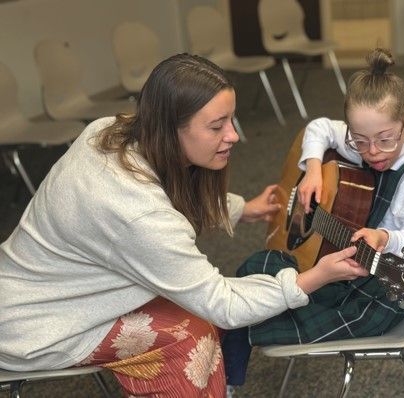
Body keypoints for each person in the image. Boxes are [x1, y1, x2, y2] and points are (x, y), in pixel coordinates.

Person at [0, 53, 369, 397]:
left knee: (197, 314)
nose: (234, 135)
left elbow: (165, 191)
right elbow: (222, 302)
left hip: (36, 288)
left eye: (231, 119)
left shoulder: (110, 131)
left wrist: (240, 208)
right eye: (216, 126)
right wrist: (312, 279)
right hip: (37, 326)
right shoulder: (138, 216)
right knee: (193, 338)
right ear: (171, 129)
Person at [222, 48, 404, 390]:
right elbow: (319, 128)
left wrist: (386, 238)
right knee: (257, 267)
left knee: (242, 310)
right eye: (360, 141)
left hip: (380, 292)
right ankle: (227, 372)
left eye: (385, 140)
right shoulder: (368, 137)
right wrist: (313, 168)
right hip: (346, 268)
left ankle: (225, 383)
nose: (371, 152)